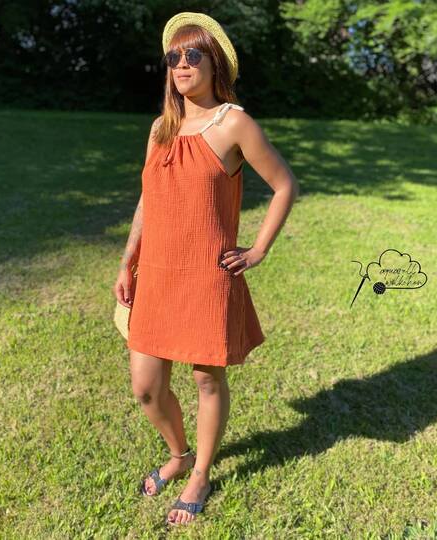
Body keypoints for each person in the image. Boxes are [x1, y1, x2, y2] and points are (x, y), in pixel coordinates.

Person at [113, 12, 299, 527]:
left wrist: (257, 250)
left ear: (215, 63)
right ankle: (179, 454)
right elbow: (148, 199)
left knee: (205, 379)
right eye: (173, 56)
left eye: (192, 54)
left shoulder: (233, 123)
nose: (181, 64)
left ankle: (200, 474)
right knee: (146, 387)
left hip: (204, 275)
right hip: (156, 274)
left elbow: (284, 184)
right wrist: (128, 260)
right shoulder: (161, 128)